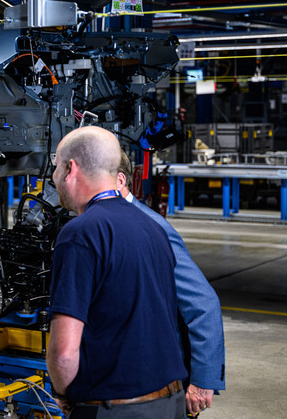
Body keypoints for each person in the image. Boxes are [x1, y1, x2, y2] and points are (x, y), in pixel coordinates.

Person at [46, 126, 188, 418]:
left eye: (56, 167)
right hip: (170, 401)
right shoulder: (153, 226)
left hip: (116, 407)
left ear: (70, 168)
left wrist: (62, 393)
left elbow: (64, 352)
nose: (53, 177)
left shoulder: (80, 234)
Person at [117, 151, 225, 416]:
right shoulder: (107, 224)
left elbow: (203, 304)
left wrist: (201, 382)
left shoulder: (152, 227)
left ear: (120, 181)